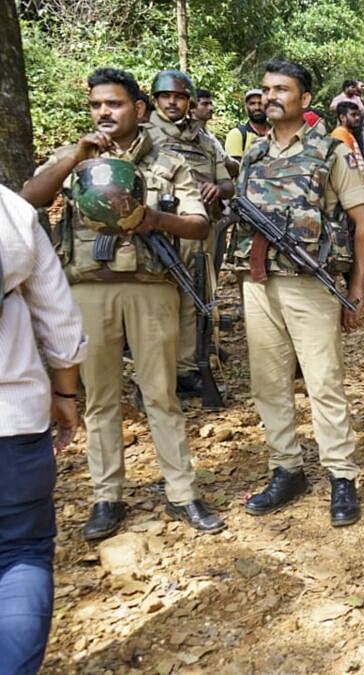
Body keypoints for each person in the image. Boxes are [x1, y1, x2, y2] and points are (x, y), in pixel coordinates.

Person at [20, 67, 224, 540]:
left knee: (161, 396)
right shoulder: (75, 158)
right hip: (89, 288)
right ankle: (106, 498)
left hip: (152, 290)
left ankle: (182, 493)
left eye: (113, 104)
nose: (104, 113)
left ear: (139, 109)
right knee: (101, 400)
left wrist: (153, 218)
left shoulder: (169, 162)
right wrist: (74, 158)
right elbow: (28, 200)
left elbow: (198, 224)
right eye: (96, 105)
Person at [227, 58, 364, 527]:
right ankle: (286, 468)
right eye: (267, 89)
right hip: (259, 284)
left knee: (323, 383)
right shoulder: (252, 155)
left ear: (305, 99)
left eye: (282, 89)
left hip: (310, 285)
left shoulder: (330, 152)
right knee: (269, 383)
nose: (271, 96)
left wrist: (356, 290)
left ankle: (341, 475)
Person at [0, 185, 86, 674]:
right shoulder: (9, 210)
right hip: (13, 422)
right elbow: (60, 321)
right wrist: (66, 393)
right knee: (20, 556)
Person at [142, 69, 235, 399]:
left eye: (179, 97)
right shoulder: (143, 135)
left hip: (199, 230)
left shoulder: (205, 141)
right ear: (154, 100)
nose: (172, 102)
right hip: (157, 231)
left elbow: (228, 182)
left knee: (196, 299)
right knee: (157, 302)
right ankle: (154, 375)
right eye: (166, 96)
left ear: (189, 102)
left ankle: (186, 369)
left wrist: (217, 188)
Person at [224, 88, 271, 169]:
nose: (257, 107)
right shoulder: (237, 134)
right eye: (252, 103)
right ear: (246, 108)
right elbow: (235, 169)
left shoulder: (278, 133)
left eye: (261, 103)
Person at [331, 101, 364, 185]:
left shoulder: (347, 133)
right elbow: (349, 165)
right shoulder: (340, 134)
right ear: (342, 117)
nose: (357, 118)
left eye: (358, 115)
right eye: (353, 115)